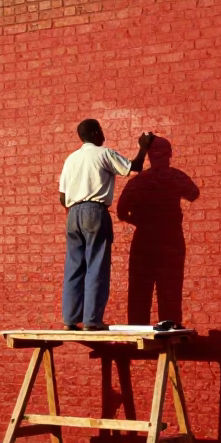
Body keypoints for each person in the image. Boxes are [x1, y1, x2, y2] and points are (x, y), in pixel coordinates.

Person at [58, 119, 153, 331]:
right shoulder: (104, 153)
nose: (103, 135)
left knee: (74, 267)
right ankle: (92, 321)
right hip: (95, 211)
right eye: (101, 131)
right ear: (94, 133)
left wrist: (77, 209)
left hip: (73, 214)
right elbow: (133, 168)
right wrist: (143, 146)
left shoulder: (70, 159)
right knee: (96, 266)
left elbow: (62, 197)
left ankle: (70, 320)